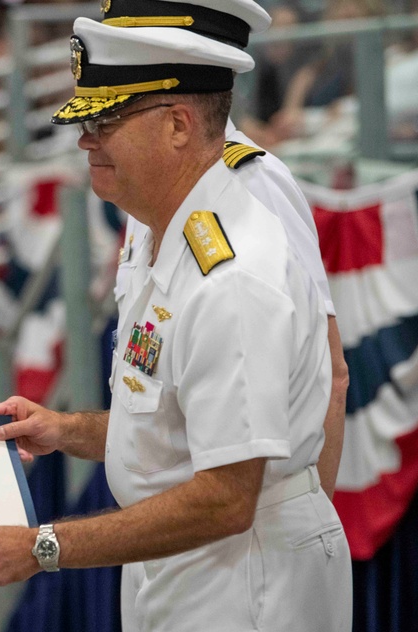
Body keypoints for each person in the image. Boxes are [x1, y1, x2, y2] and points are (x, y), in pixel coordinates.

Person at [0, 20, 353, 632]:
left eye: (106, 122)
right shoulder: (162, 227)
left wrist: (41, 546)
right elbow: (173, 423)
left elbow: (226, 495)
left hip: (246, 583)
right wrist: (66, 429)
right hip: (182, 566)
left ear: (179, 126)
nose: (84, 139)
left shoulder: (232, 276)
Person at [99, 0, 349, 503]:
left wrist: (306, 514)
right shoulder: (150, 194)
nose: (95, 136)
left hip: (247, 540)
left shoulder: (256, 184)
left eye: (114, 113)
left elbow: (330, 369)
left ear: (178, 117)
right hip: (173, 531)